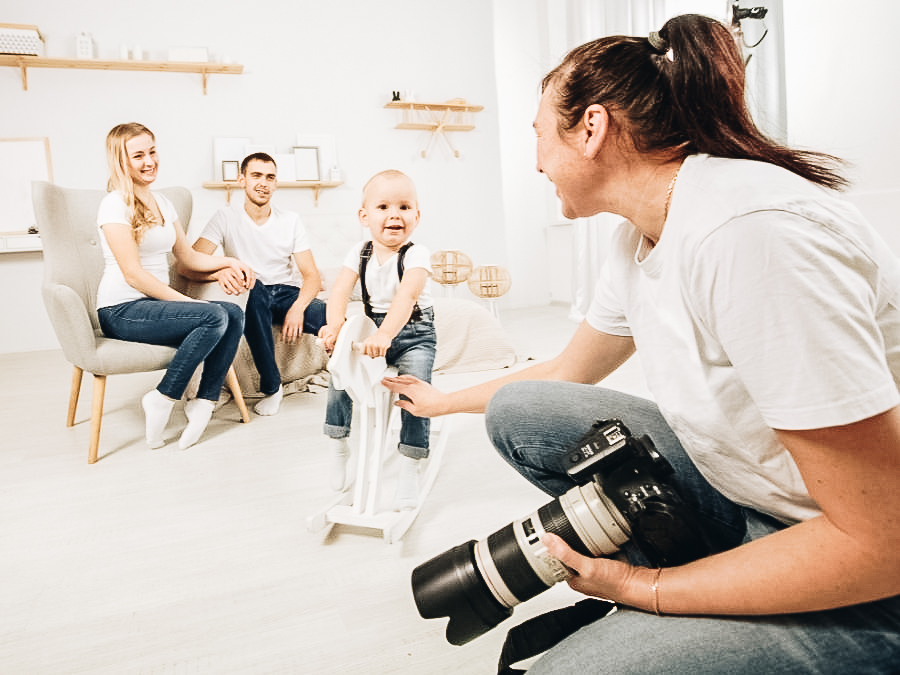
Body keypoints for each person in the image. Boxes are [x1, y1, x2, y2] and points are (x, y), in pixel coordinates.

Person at [384, 14, 900, 674]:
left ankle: (714, 591)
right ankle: (719, 580)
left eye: (539, 135)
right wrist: (441, 400)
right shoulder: (641, 232)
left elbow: (881, 541)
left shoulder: (747, 237)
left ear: (591, 128)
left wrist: (642, 590)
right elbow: (568, 369)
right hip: (761, 502)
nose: (537, 160)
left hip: (872, 582)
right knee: (523, 410)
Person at [96, 123, 254, 450]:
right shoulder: (114, 204)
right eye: (138, 155)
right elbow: (133, 275)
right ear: (120, 161)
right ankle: (163, 396)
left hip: (154, 309)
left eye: (151, 151)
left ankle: (205, 400)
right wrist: (190, 304)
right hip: (121, 310)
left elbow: (188, 257)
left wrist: (229, 262)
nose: (149, 161)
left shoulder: (163, 202)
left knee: (232, 314)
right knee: (213, 316)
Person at [319, 170, 436, 510]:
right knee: (340, 372)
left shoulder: (417, 254)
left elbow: (406, 297)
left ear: (416, 215)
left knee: (414, 389)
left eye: (404, 206)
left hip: (414, 333)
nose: (394, 215)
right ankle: (338, 443)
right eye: (383, 206)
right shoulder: (359, 251)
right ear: (364, 216)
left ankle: (411, 465)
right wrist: (334, 327)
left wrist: (387, 334)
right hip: (374, 332)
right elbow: (339, 292)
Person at [184, 152, 327, 416]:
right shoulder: (224, 217)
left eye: (270, 177)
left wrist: (297, 308)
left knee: (327, 314)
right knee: (254, 287)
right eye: (256, 176)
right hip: (250, 292)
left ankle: (358, 378)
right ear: (242, 180)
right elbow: (188, 265)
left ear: (275, 183)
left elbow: (311, 276)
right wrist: (219, 272)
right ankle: (273, 387)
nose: (264, 182)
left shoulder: (290, 220)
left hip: (286, 293)